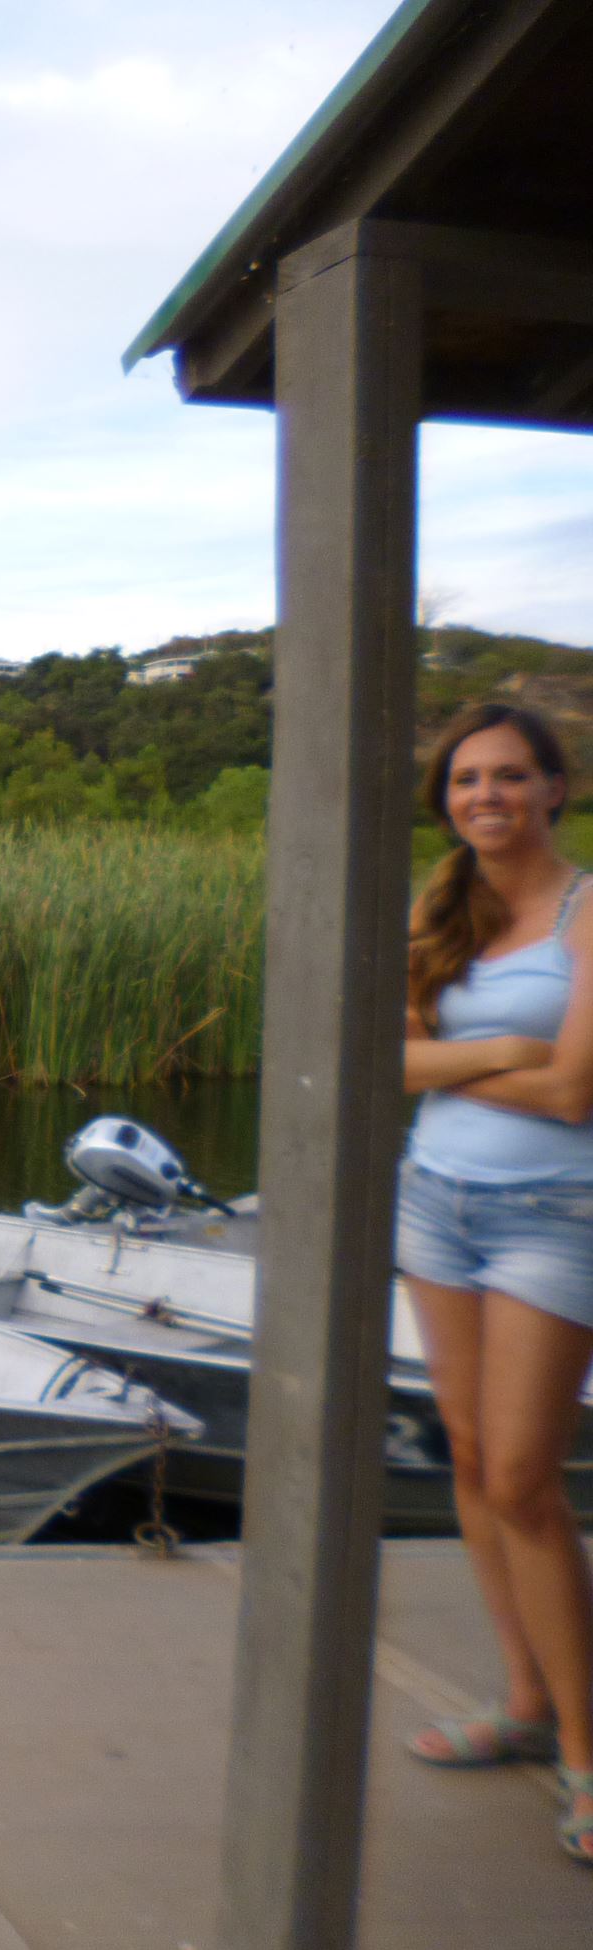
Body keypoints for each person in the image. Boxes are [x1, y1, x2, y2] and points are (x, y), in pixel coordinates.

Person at [396, 700, 593, 1866]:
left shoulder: (585, 911)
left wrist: (461, 1067)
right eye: (466, 779)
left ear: (554, 788)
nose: (485, 796)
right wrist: (507, 1051)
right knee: (471, 1459)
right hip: (433, 1206)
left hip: (552, 1221)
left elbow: (578, 1097)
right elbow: (385, 1051)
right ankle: (520, 1702)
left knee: (524, 1475)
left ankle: (584, 1746)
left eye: (509, 776)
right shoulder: (440, 908)